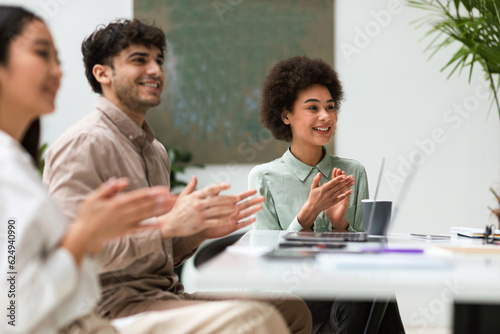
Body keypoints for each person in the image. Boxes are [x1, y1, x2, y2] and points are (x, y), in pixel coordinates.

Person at [0, 6, 291, 334]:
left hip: (161, 293)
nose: (155, 70)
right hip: (112, 304)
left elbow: (153, 254)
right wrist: (162, 225)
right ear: (102, 74)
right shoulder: (81, 145)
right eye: (139, 60)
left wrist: (194, 231)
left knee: (289, 309)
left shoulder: (155, 151)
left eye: (159, 61)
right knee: (257, 320)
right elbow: (23, 299)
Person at [248, 55, 405, 333]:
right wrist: (305, 217)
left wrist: (339, 226)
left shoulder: (353, 172)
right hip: (292, 297)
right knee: (370, 289)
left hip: (343, 289)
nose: (326, 116)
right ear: (286, 115)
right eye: (313, 107)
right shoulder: (264, 178)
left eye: (331, 107)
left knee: (371, 284)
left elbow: (368, 256)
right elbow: (264, 264)